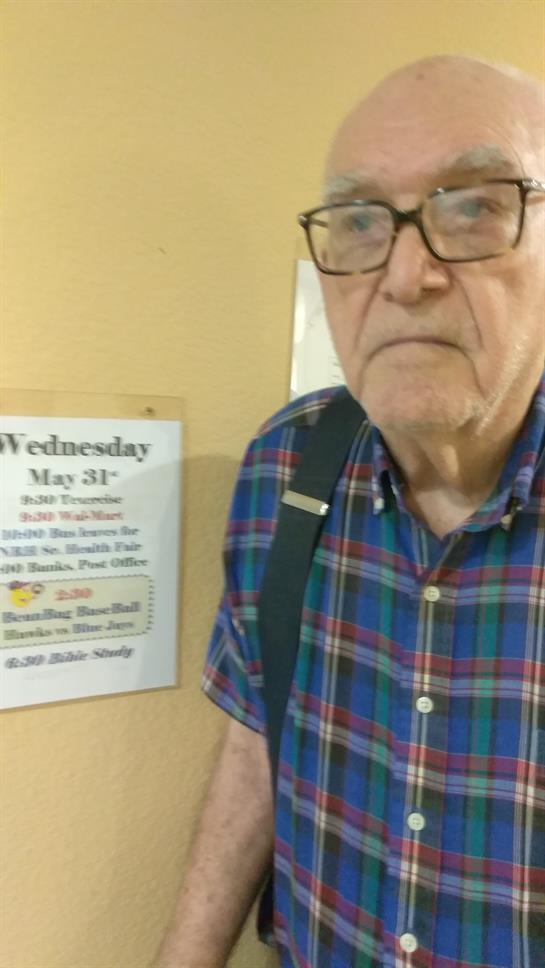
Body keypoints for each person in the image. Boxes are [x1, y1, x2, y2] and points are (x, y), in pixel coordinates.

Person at [157, 55, 545, 968]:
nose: (405, 276)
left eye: (474, 207)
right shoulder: (286, 468)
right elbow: (258, 739)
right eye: (361, 221)